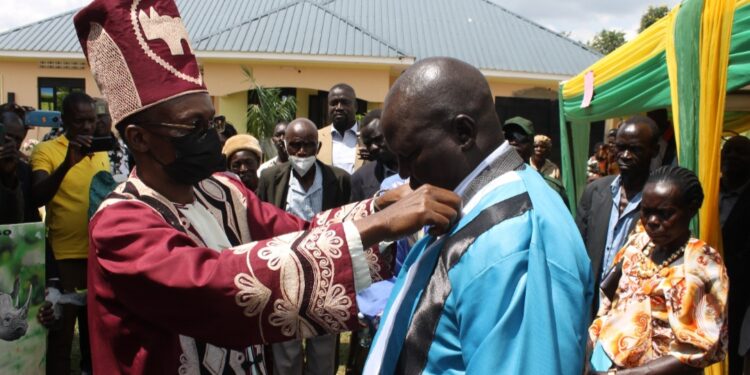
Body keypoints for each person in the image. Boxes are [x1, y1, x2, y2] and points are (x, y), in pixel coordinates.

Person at [73, 2, 460, 373]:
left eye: (212, 121)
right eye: (194, 127)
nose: (212, 137)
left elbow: (297, 233)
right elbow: (216, 286)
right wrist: (377, 225)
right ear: (139, 139)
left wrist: (376, 208)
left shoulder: (221, 191)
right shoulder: (120, 224)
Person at [363, 57, 592, 374]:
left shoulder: (513, 234)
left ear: (463, 132)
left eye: (409, 155)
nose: (403, 175)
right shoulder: (478, 206)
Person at [587, 166, 728, 374]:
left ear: (691, 209)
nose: (652, 222)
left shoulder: (703, 264)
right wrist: (588, 349)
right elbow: (608, 302)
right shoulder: (638, 244)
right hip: (603, 361)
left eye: (665, 214)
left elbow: (699, 350)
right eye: (646, 211)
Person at [256, 118, 351, 375]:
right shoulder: (269, 179)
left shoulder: (339, 180)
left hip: (326, 278)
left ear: (318, 147)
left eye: (308, 145)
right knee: (287, 353)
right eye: (295, 145)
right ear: (285, 146)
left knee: (323, 353)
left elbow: (348, 230)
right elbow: (260, 227)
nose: (301, 152)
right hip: (284, 276)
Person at [31, 91, 108, 374]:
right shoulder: (46, 150)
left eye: (91, 121)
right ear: (64, 120)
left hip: (98, 257)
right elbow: (37, 196)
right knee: (62, 336)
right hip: (63, 258)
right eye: (79, 121)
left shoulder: (101, 152)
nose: (87, 127)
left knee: (95, 336)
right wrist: (67, 163)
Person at [576, 116, 659, 302]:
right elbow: (577, 248)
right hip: (589, 305)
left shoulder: (661, 202)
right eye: (621, 148)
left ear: (654, 150)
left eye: (635, 149)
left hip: (632, 310)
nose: (625, 155)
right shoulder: (594, 192)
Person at [719, 135, 750, 375]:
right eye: (728, 152)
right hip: (698, 283)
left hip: (738, 288)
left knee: (732, 344)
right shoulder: (708, 190)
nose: (731, 158)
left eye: (739, 153)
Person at [504, 116, 569, 206]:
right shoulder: (488, 184)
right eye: (508, 137)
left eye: (519, 137)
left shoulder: (551, 189)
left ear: (531, 145)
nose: (513, 142)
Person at [0, 108, 40, 224]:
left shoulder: (24, 170)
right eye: (8, 136)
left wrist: (9, 177)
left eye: (18, 139)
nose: (13, 143)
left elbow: (24, 216)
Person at [350, 109, 399, 201]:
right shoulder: (360, 179)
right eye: (368, 143)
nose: (373, 147)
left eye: (378, 139)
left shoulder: (422, 168)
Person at [318, 83, 363, 173]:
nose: (339, 107)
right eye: (333, 103)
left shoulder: (368, 137)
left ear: (356, 106)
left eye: (345, 103)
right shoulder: (317, 137)